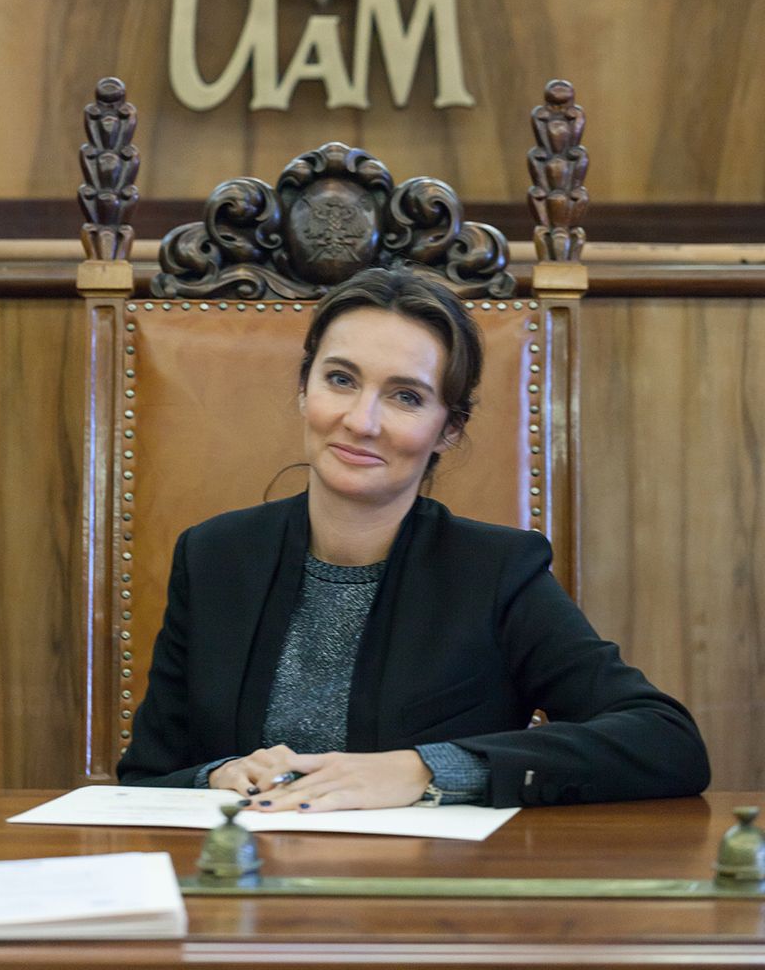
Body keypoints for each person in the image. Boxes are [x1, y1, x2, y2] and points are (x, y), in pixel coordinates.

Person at [118, 268, 710, 810]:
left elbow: (665, 740)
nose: (361, 421)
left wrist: (427, 769)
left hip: (422, 883)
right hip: (240, 878)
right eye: (340, 380)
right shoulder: (214, 556)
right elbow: (144, 778)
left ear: (448, 429)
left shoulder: (496, 572)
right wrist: (215, 776)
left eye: (406, 396)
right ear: (304, 390)